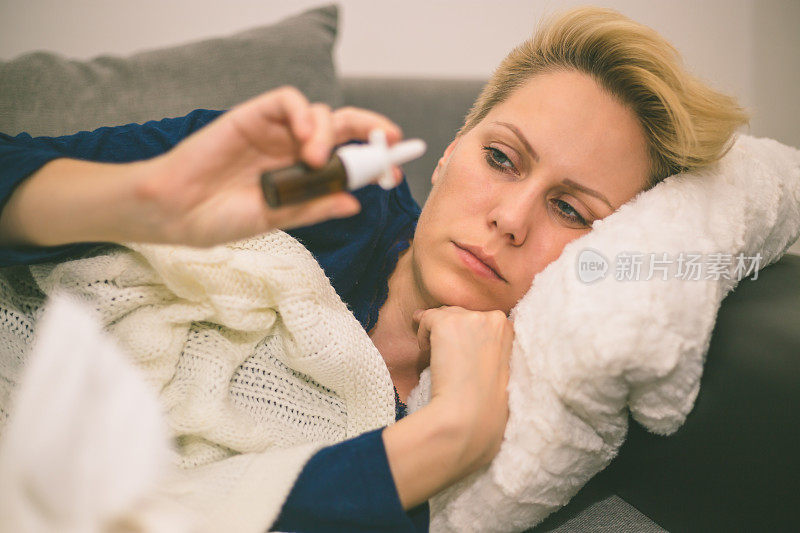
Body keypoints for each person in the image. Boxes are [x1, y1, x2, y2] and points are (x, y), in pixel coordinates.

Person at [0, 7, 748, 532]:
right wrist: (150, 199)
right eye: (501, 158)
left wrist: (451, 433)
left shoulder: (539, 415)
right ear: (453, 146)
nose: (512, 217)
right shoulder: (320, 186)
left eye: (571, 210)